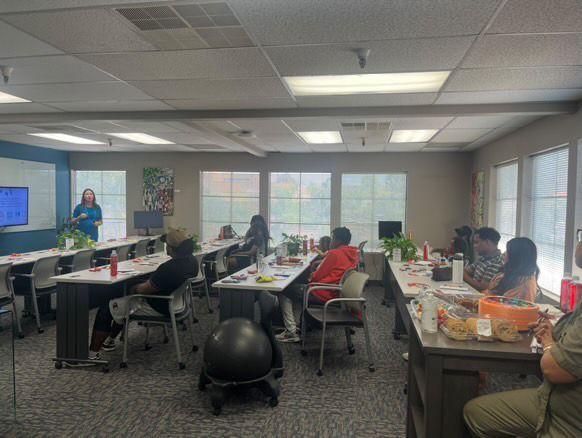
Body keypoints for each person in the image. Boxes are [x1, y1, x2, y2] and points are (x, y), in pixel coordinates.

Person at [464, 240, 582, 437]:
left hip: (567, 419)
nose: (577, 243)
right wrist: (553, 333)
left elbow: (556, 370)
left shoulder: (526, 282)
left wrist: (548, 342)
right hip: (552, 398)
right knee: (475, 411)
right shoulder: (509, 275)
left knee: (476, 414)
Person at [74, 228, 198, 363]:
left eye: (167, 244)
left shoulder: (169, 268)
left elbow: (142, 290)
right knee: (120, 300)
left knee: (107, 307)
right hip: (177, 304)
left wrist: (132, 288)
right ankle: (109, 341)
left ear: (171, 248)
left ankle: (91, 356)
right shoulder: (192, 261)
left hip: (157, 306)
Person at [275, 227, 359, 343]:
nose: (331, 241)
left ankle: (291, 332)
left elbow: (317, 277)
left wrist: (310, 276)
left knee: (284, 290)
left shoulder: (335, 253)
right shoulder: (351, 254)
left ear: (337, 240)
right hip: (335, 292)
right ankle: (299, 325)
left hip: (322, 293)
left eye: (332, 238)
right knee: (296, 285)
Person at [484, 237, 541, 302]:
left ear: (516, 257)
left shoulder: (525, 285)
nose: (503, 254)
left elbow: (502, 304)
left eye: (507, 251)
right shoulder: (513, 274)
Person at [463, 227, 504, 292]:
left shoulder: (496, 262)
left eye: (476, 242)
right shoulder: (483, 257)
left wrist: (463, 275)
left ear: (487, 242)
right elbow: (467, 271)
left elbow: (483, 287)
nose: (474, 246)